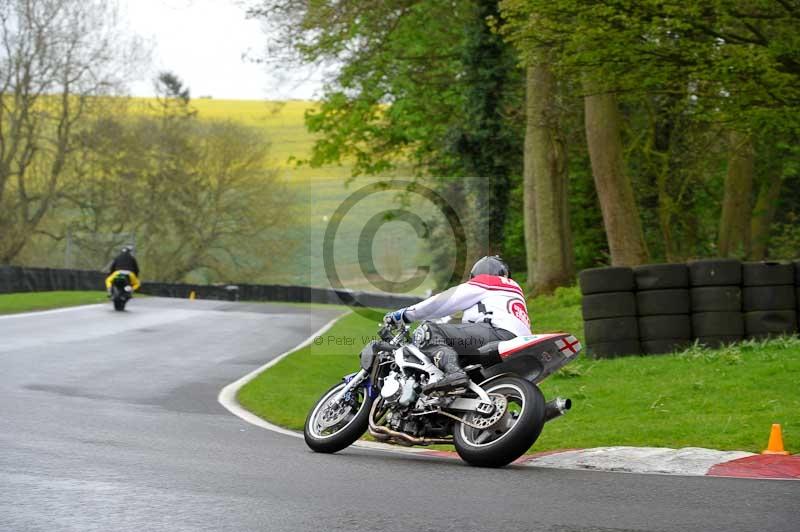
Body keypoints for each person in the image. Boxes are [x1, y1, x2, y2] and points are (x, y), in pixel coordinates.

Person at [384, 255, 531, 393]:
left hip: (496, 335)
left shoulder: (488, 281)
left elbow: (444, 301)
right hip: (514, 343)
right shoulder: (510, 292)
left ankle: (454, 374)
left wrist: (404, 314)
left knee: (428, 331)